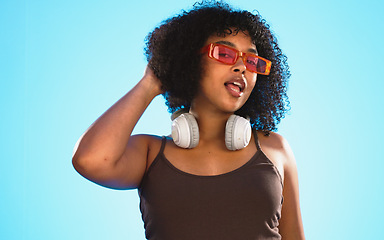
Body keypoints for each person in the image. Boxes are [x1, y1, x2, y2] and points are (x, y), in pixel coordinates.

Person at [72, 1, 305, 239]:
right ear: (190, 61)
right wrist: (151, 82)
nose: (241, 67)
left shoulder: (275, 149)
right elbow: (90, 160)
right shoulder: (149, 153)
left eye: (252, 61)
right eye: (225, 53)